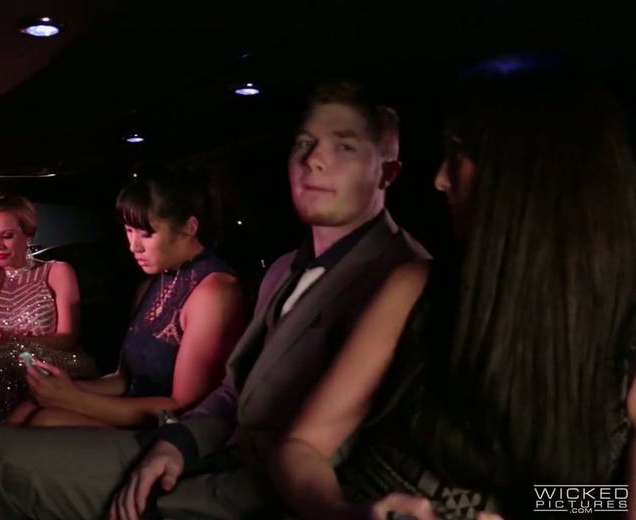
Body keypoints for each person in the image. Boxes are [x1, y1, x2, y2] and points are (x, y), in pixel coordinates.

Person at [0, 78, 429, 520]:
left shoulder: (402, 280)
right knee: (11, 437)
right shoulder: (278, 271)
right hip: (200, 448)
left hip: (252, 479)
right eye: (304, 143)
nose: (315, 160)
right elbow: (230, 393)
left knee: (7, 453)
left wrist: (83, 403)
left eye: (344, 147)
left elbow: (219, 412)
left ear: (387, 173)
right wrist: (175, 442)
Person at [270, 68, 636, 520]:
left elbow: (615, 499)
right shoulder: (418, 288)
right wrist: (349, 513)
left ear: (525, 175)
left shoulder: (622, 330)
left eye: (459, 153)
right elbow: (301, 446)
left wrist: (529, 509)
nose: (440, 179)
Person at [9, 174, 244, 429]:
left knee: (44, 420)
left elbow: (183, 407)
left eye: (147, 234)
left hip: (173, 435)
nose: (134, 247)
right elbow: (124, 380)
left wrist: (73, 399)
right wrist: (59, 389)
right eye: (129, 231)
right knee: (29, 408)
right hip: (130, 412)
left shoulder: (214, 291)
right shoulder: (152, 285)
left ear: (190, 227)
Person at [0, 195, 98, 430]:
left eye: (7, 236)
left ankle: (1, 437)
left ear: (28, 236)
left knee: (6, 353)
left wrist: (20, 342)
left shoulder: (56, 271)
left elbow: (68, 338)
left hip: (53, 365)